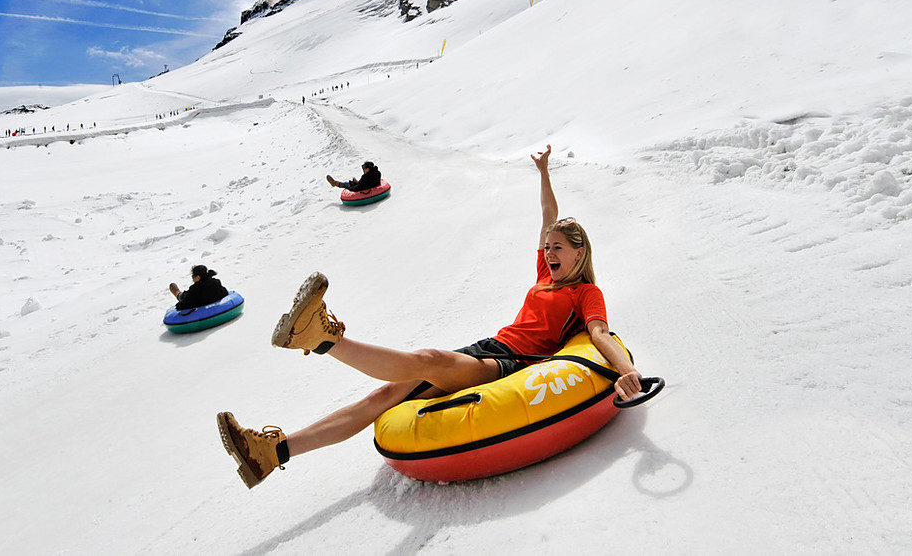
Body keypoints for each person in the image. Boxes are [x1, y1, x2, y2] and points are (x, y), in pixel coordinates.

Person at [218, 145, 643, 489]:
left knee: (429, 359)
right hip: (491, 347)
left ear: (579, 252)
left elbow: (600, 333)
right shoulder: (544, 277)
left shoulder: (586, 292)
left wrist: (627, 373)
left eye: (557, 248)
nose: (548, 253)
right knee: (381, 398)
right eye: (546, 247)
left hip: (512, 365)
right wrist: (545, 174)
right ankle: (272, 453)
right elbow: (548, 216)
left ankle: (322, 339)